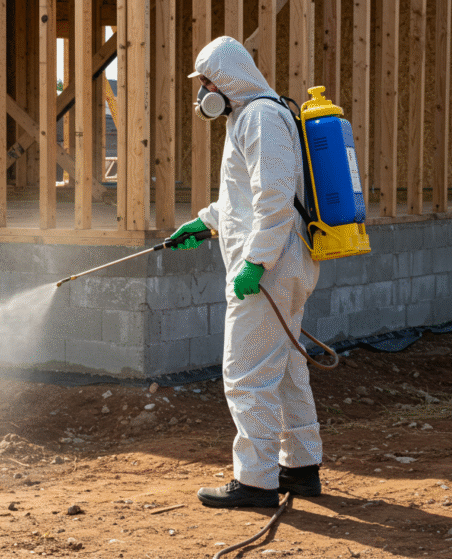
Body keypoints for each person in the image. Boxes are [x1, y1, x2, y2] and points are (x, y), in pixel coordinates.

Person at [171, 36, 323, 508]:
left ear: (227, 79)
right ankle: (300, 469)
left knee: (246, 375)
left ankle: (255, 482)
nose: (203, 94)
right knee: (286, 370)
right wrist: (206, 222)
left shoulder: (259, 116)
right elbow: (245, 199)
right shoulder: (253, 116)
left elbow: (273, 200)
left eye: (207, 82)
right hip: (281, 264)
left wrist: (256, 263)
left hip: (269, 270)